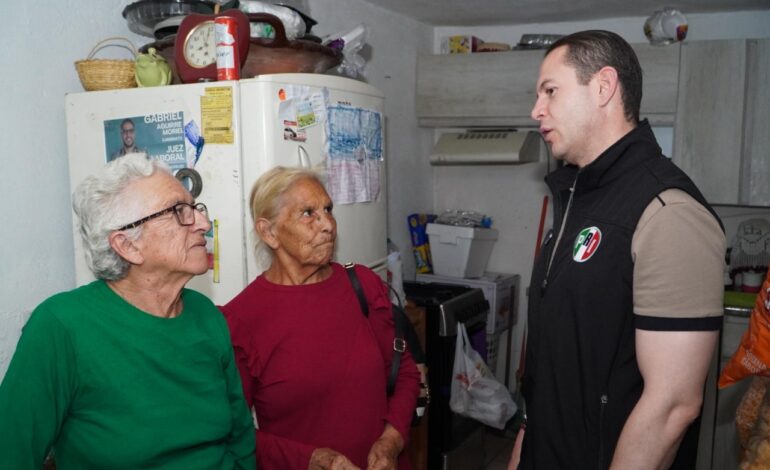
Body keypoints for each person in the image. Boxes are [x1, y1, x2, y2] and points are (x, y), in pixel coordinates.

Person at [509, 30, 725, 470]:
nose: (536, 110)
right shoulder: (577, 200)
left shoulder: (668, 212)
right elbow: (552, 368)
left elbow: (673, 405)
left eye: (550, 91)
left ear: (603, 87)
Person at [0, 153, 255, 469]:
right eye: (179, 212)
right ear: (127, 245)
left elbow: (241, 439)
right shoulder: (61, 327)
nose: (203, 224)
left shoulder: (205, 314)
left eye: (196, 208)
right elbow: (10, 455)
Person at [221, 166, 420, 470]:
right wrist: (308, 459)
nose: (328, 224)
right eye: (308, 213)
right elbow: (235, 433)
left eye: (328, 209)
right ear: (269, 232)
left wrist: (391, 441)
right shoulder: (241, 319)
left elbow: (405, 373)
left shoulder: (363, 285)